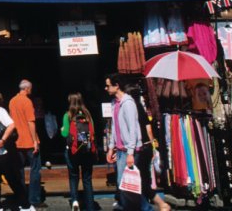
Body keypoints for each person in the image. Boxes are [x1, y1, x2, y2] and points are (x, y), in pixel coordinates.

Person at [104, 74, 149, 211]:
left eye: (108, 85)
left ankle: (146, 208)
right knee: (124, 184)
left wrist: (130, 152)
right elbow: (114, 127)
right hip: (120, 150)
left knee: (127, 184)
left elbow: (133, 129)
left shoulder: (128, 103)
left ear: (116, 85)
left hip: (129, 151)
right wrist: (111, 147)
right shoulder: (115, 103)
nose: (106, 88)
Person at [0, 90, 33, 211]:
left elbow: (12, 125)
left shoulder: (1, 112)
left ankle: (26, 206)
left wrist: (3, 140)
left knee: (13, 180)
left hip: (5, 154)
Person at [124, 85, 170, 211]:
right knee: (143, 177)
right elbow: (148, 127)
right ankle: (147, 203)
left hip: (141, 147)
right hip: (147, 146)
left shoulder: (131, 108)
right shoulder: (139, 108)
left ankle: (159, 203)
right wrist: (152, 145)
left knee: (139, 179)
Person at [9, 79, 42, 208]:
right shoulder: (27, 102)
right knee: (35, 170)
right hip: (29, 140)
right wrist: (35, 141)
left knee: (19, 172)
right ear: (27, 89)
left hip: (17, 141)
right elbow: (31, 122)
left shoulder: (12, 101)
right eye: (31, 88)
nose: (31, 90)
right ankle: (34, 199)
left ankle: (21, 198)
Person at [60, 93, 95, 211]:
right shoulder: (87, 114)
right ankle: (90, 206)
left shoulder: (68, 115)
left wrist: (62, 130)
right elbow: (93, 132)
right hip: (87, 151)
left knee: (73, 177)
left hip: (73, 152)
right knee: (87, 179)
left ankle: (75, 201)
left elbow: (65, 134)